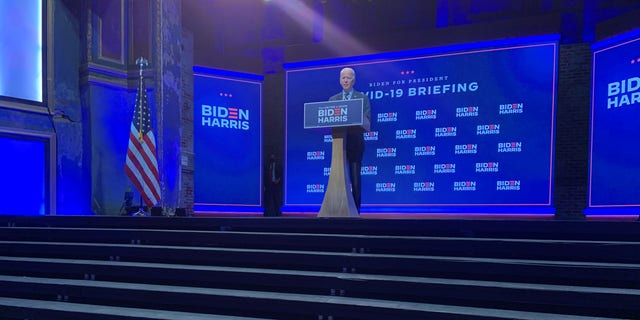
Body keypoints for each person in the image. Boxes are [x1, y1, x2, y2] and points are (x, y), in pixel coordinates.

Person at [329, 67, 371, 213]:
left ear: (353, 80)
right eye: (343, 78)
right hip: (339, 144)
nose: (346, 80)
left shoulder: (362, 98)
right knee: (338, 178)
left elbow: (367, 121)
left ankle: (355, 210)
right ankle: (337, 209)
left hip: (355, 143)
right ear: (340, 80)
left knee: (354, 177)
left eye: (348, 78)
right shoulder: (333, 100)